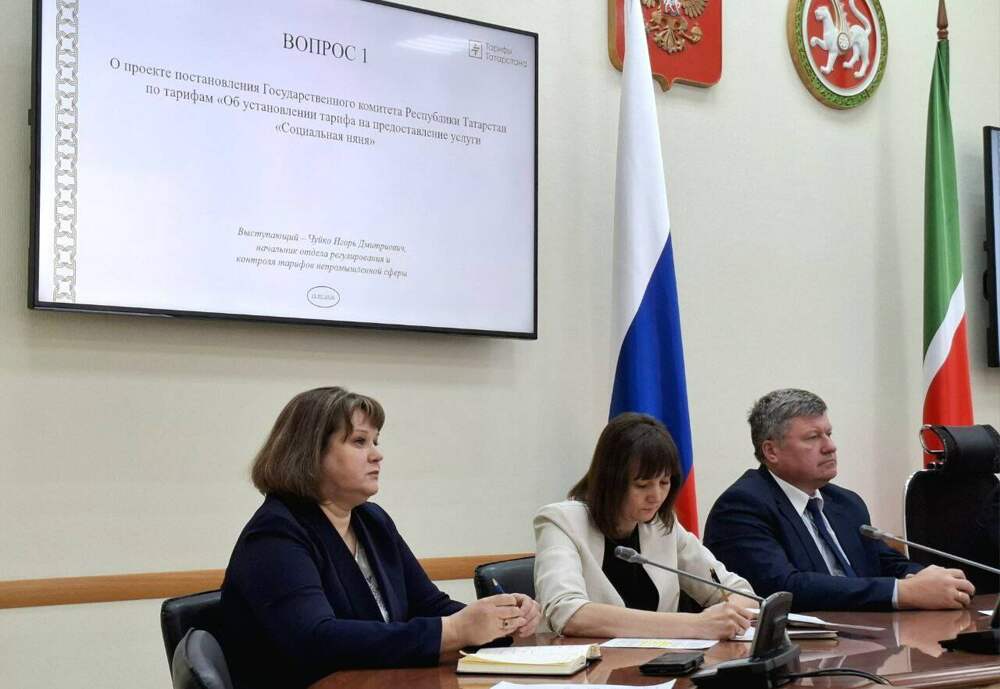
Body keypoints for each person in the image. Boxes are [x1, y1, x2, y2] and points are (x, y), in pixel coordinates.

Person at [221, 387, 540, 689]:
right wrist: (455, 630)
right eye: (360, 441)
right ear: (311, 453)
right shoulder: (275, 534)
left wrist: (498, 617)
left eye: (375, 441)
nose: (377, 455)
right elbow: (316, 640)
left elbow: (428, 605)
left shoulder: (372, 521)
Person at [703, 388, 976, 612]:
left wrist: (928, 578)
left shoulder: (845, 502)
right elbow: (782, 588)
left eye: (829, 434)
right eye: (813, 437)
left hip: (867, 638)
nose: (830, 446)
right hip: (805, 648)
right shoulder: (742, 506)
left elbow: (885, 562)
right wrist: (901, 592)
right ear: (771, 451)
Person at [534, 412, 757, 639]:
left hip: (659, 660)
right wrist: (696, 625)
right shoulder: (561, 522)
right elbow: (568, 613)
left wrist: (729, 615)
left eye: (664, 482)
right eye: (642, 485)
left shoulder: (662, 526)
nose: (656, 496)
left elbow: (741, 593)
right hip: (587, 661)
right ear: (610, 481)